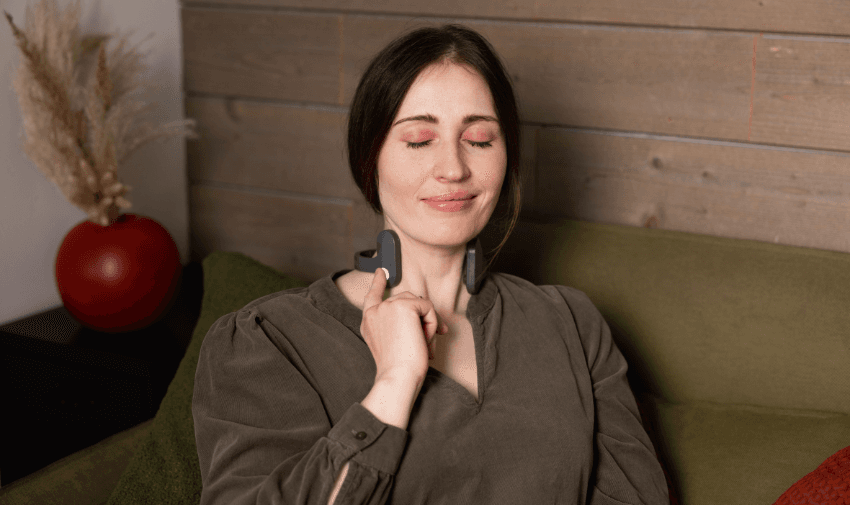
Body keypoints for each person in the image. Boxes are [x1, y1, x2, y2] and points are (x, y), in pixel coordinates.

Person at [192, 24, 669, 505]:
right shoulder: (267, 341)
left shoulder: (571, 325)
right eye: (419, 140)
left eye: (480, 140)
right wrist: (393, 385)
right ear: (368, 159)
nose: (454, 168)